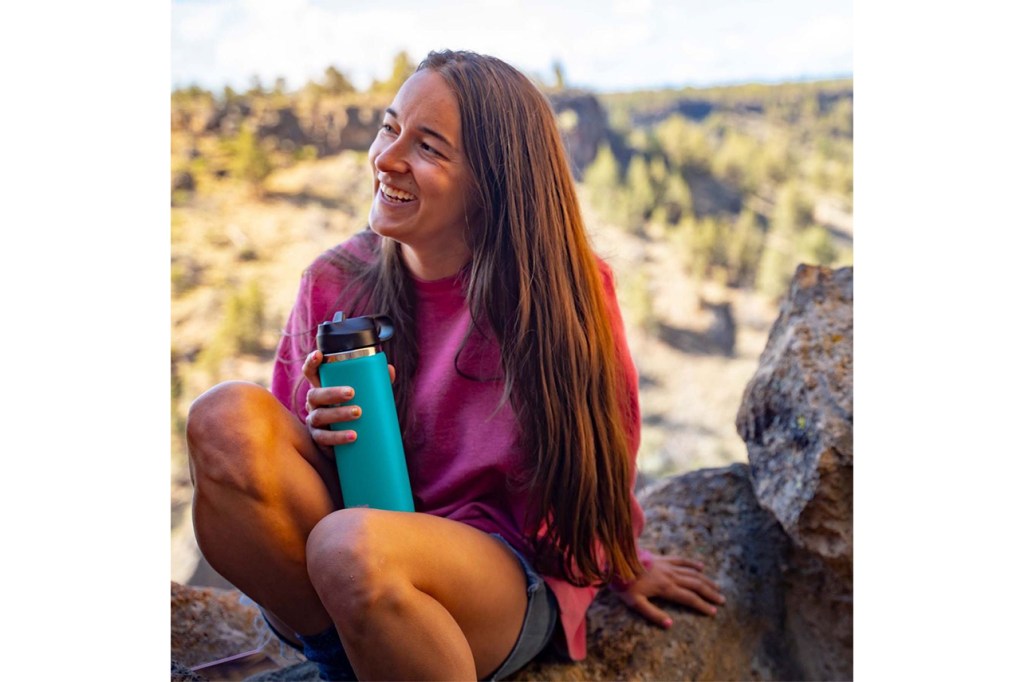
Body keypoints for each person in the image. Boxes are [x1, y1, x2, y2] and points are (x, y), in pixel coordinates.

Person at [186, 49, 725, 681]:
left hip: (492, 574)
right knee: (222, 418)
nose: (386, 158)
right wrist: (322, 434)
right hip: (351, 561)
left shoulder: (560, 293)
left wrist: (624, 561)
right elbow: (275, 486)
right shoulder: (334, 281)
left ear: (493, 183)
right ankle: (353, 660)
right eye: (389, 127)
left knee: (349, 547)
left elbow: (604, 447)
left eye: (429, 147)